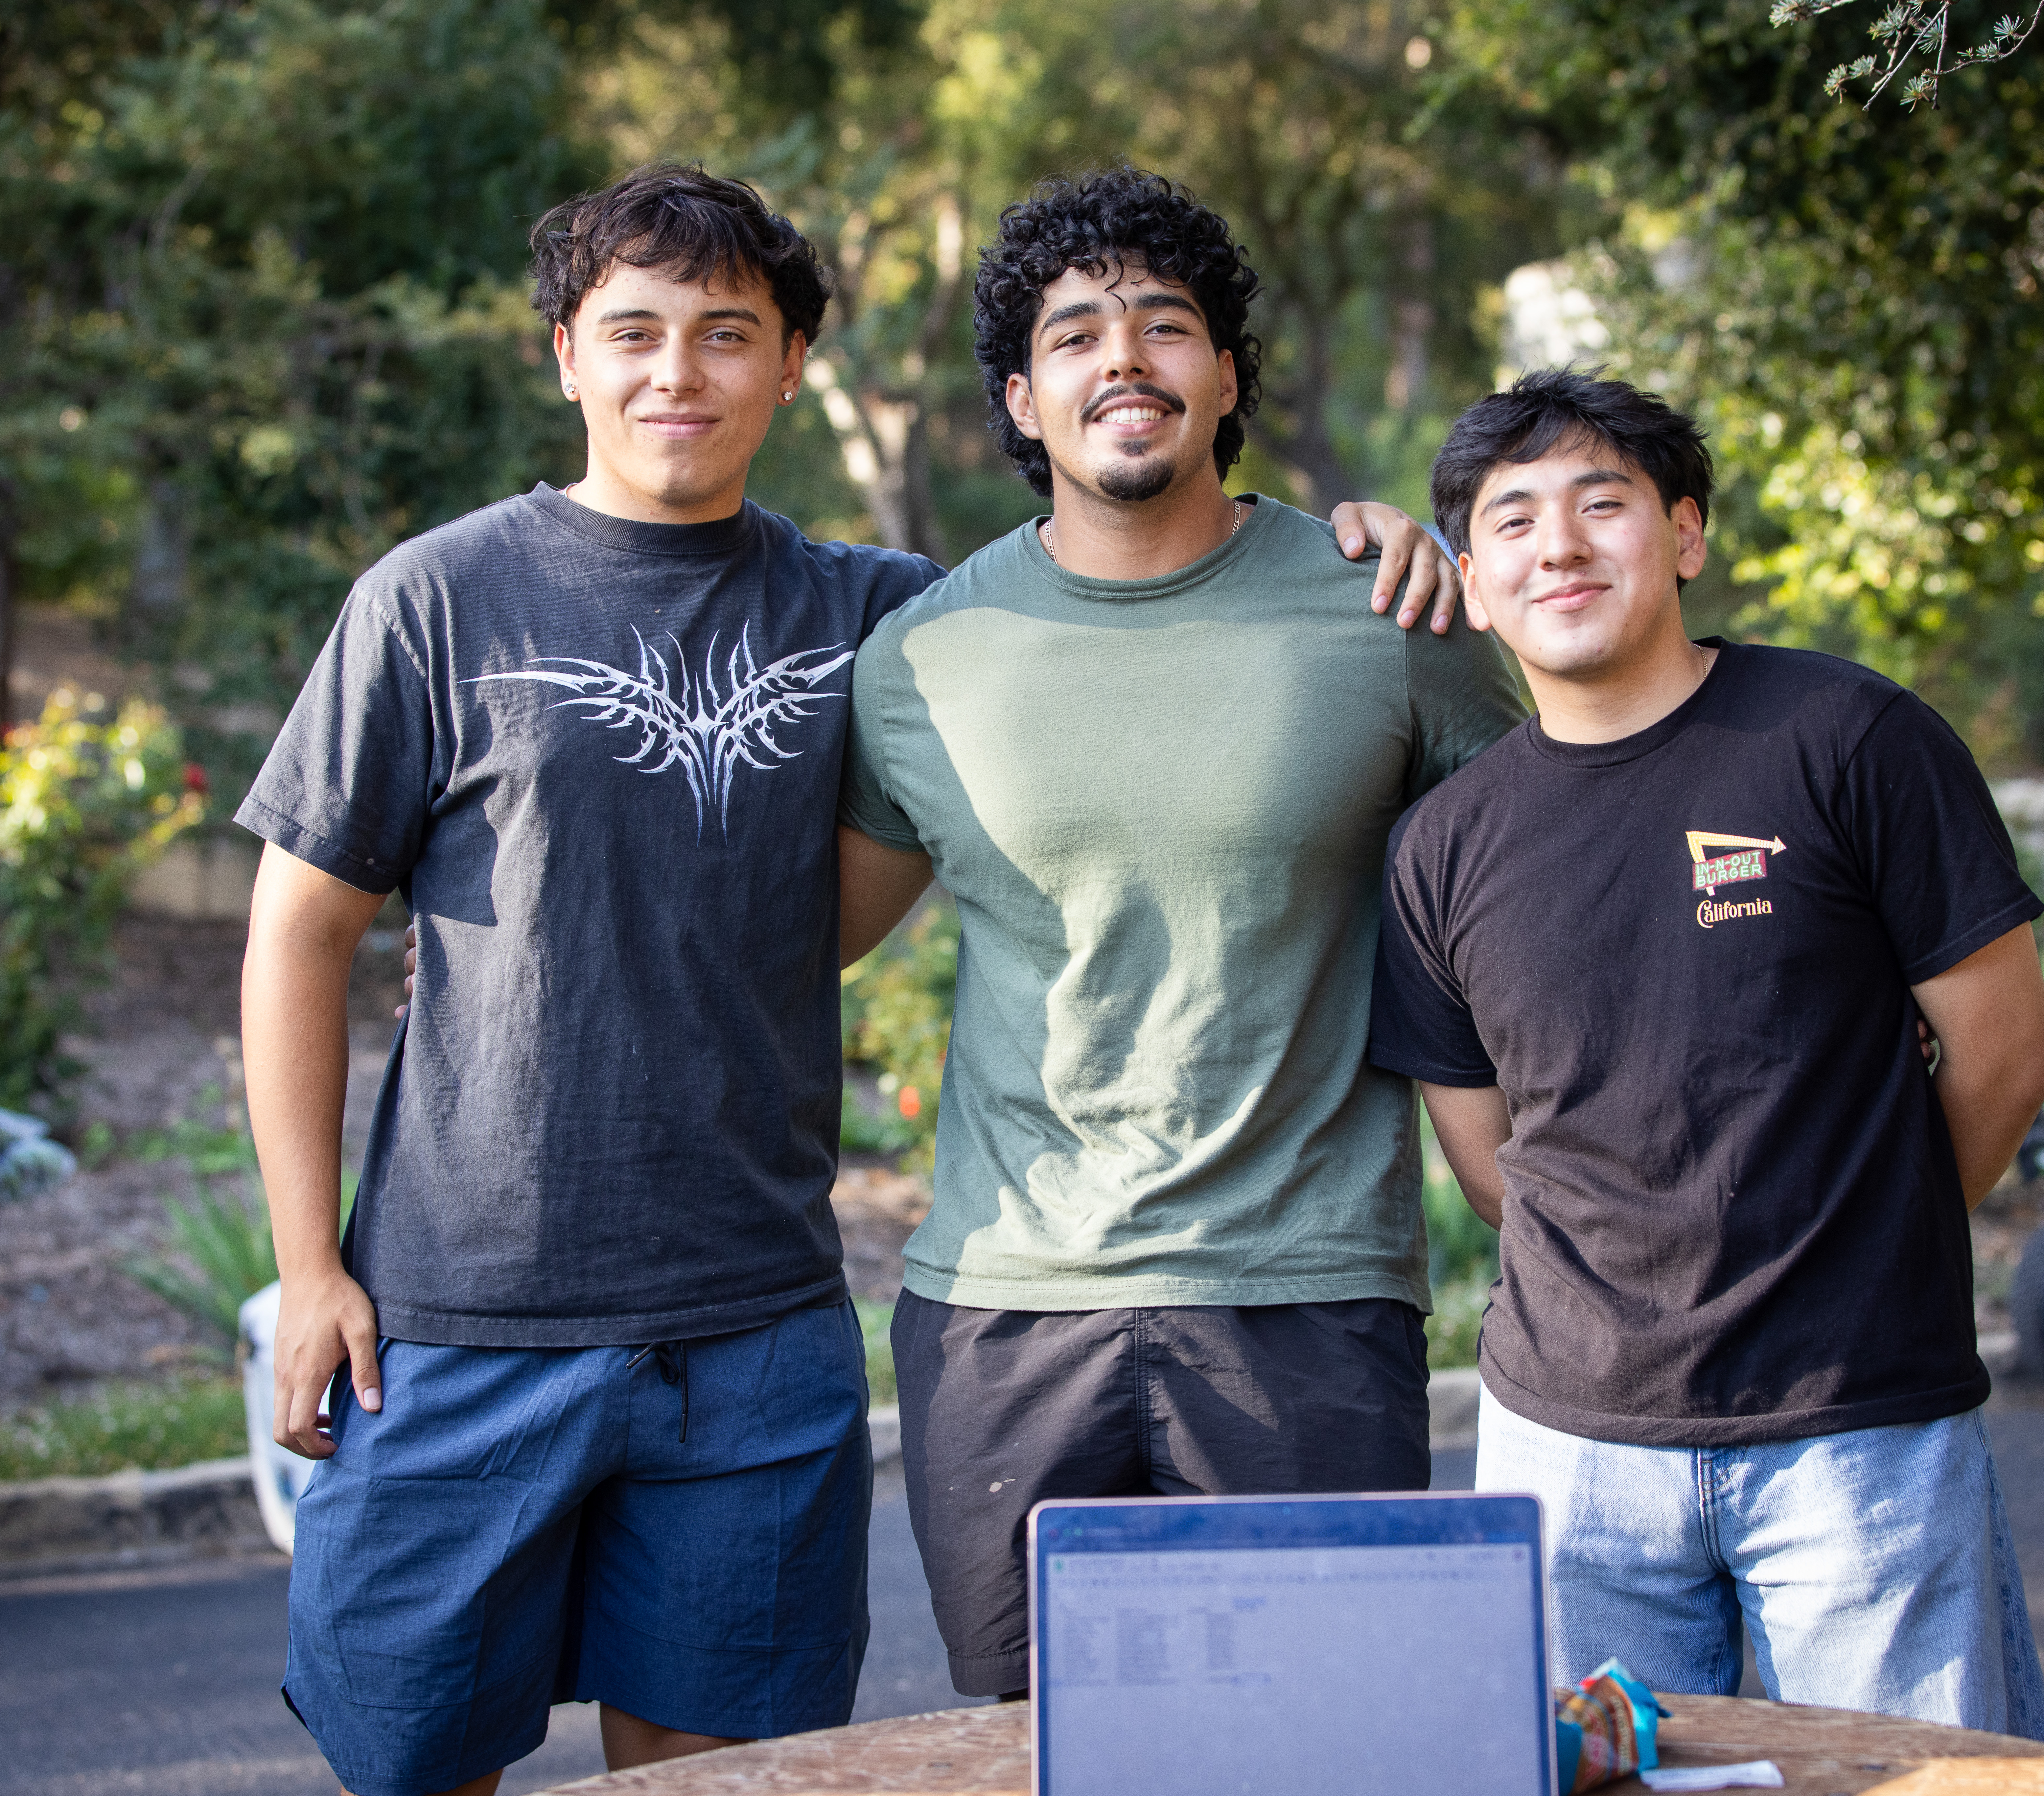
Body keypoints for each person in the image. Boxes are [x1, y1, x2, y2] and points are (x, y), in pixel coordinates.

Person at [239, 163, 1461, 1796]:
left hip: (755, 1325)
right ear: (565, 357)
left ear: (791, 363)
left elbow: (1113, 583)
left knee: (722, 1771)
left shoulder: (881, 617)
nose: (678, 372)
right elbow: (297, 931)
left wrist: (1379, 536)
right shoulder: (438, 598)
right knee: (411, 1761)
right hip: (461, 1312)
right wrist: (306, 1264)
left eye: (725, 333)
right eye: (635, 333)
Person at [834, 167, 1528, 1703]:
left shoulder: (1390, 613)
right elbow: (805, 939)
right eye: (1074, 335)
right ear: (1021, 402)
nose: (1123, 357)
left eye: (1164, 324)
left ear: (1224, 376)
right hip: (1007, 1306)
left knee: (1323, 1737)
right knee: (1047, 1748)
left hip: (1304, 1291)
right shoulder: (921, 657)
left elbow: (1546, 872)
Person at [1370, 368, 2044, 1737]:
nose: (1556, 545)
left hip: (1856, 1431)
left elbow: (2007, 1052)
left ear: (1683, 534)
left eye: (1600, 502)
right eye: (1510, 520)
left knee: (1912, 1782)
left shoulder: (1844, 740)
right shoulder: (1440, 847)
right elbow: (1495, 1161)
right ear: (1468, 576)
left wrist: (1866, 1239)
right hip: (1567, 1454)